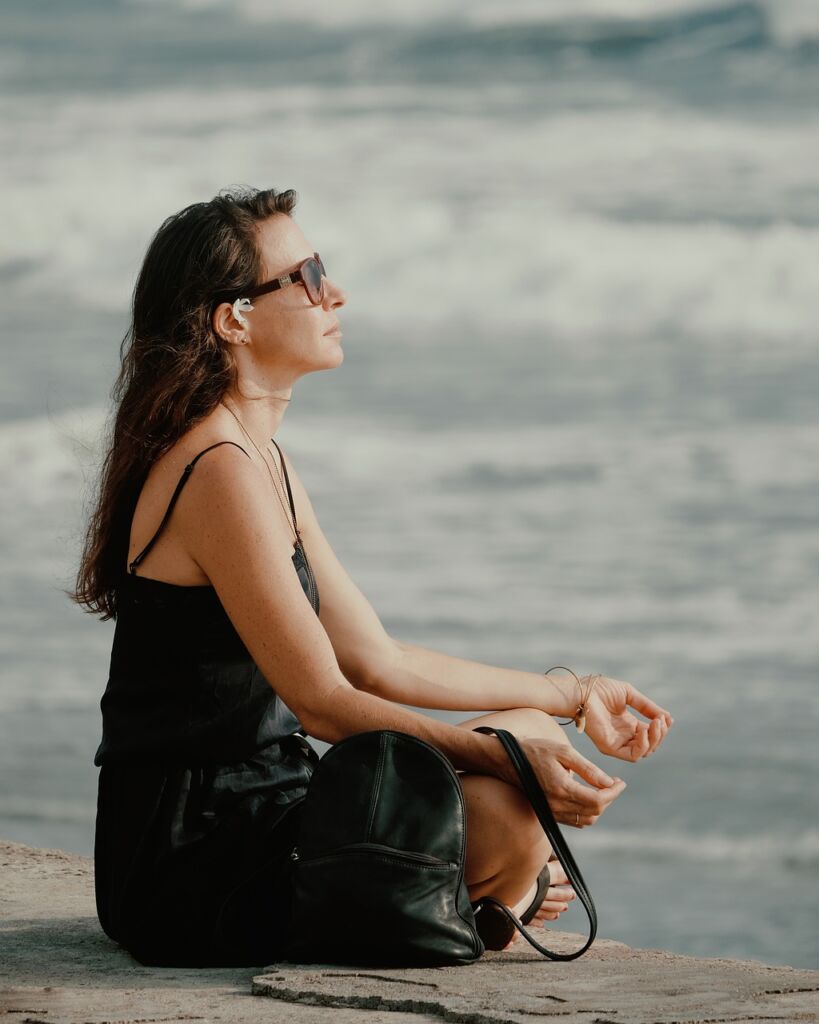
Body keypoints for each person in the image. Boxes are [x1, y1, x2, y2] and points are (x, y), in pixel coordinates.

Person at [73, 186, 674, 967]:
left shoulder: (263, 460)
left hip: (275, 807)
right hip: (194, 857)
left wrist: (571, 694)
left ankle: (489, 896)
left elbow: (375, 660)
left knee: (524, 734)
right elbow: (322, 701)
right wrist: (501, 763)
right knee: (507, 794)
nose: (337, 291)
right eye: (310, 275)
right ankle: (499, 896)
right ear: (234, 318)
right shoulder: (215, 468)